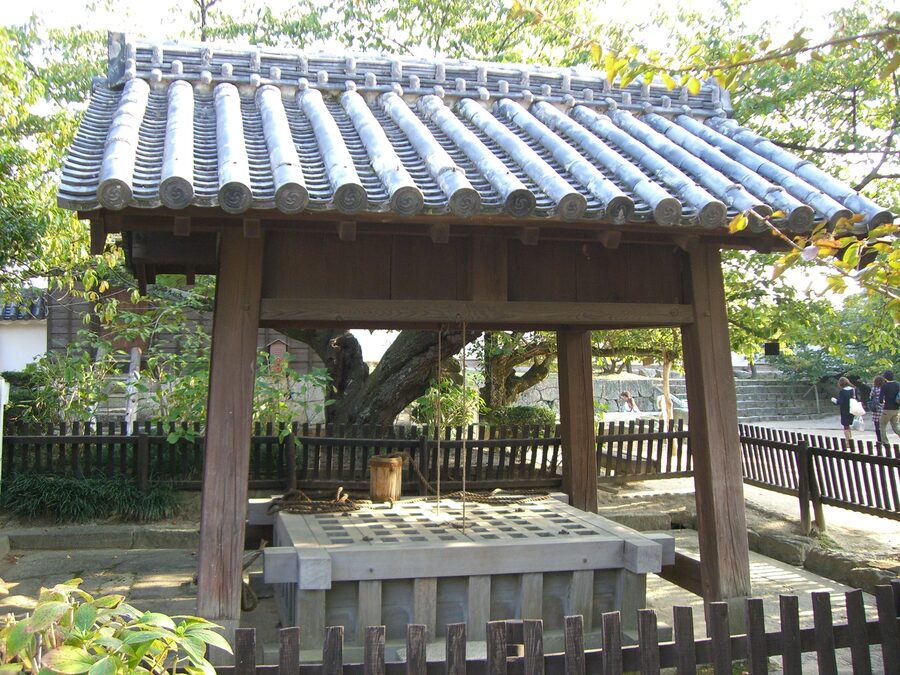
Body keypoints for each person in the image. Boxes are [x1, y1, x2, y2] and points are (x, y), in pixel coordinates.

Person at [831, 377, 857, 443]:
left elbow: (840, 402)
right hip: (853, 409)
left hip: (845, 410)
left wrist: (834, 400)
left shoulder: (842, 391)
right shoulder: (853, 390)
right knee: (849, 426)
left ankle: (848, 442)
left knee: (846, 426)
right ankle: (851, 439)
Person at [879, 370, 900, 443]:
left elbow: (880, 400)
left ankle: (885, 442)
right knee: (895, 427)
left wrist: (883, 401)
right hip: (896, 409)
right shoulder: (898, 384)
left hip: (887, 409)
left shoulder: (884, 386)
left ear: (885, 377)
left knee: (882, 426)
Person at [870, 375, 886, 445]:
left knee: (877, 426)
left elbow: (870, 397)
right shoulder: (884, 388)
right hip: (884, 408)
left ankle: (879, 441)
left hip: (876, 408)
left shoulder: (874, 388)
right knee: (883, 426)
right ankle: (884, 439)